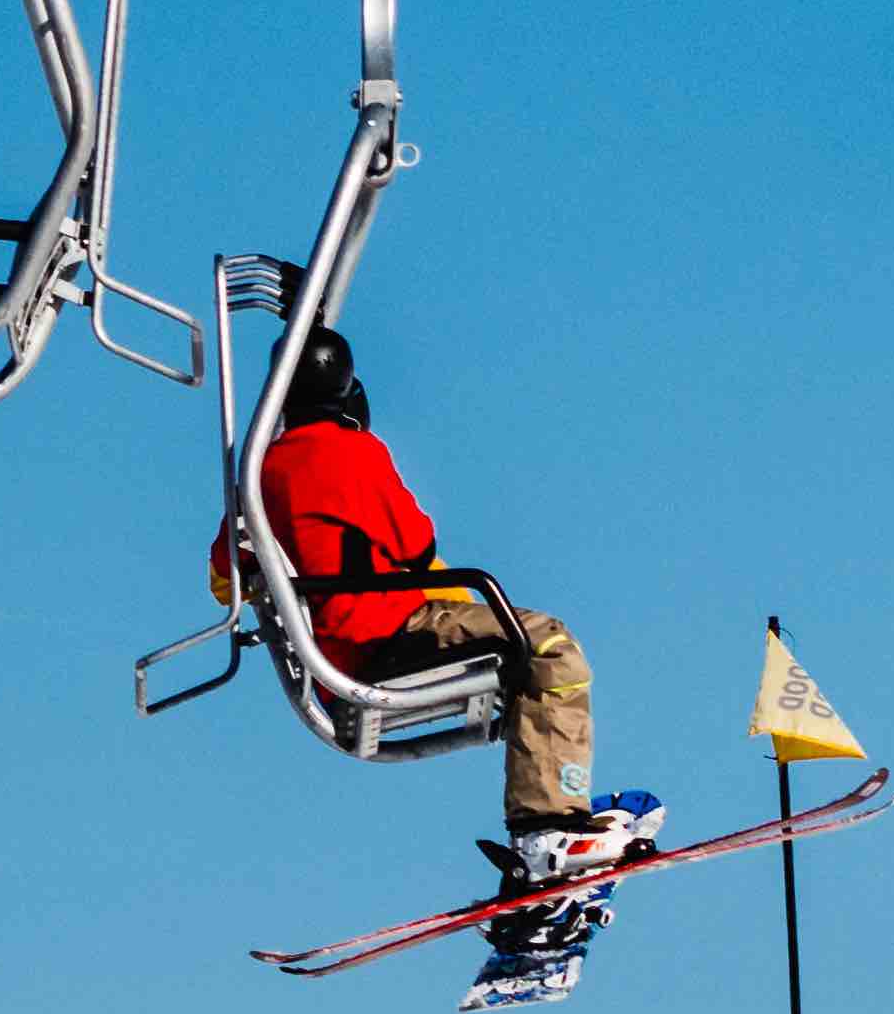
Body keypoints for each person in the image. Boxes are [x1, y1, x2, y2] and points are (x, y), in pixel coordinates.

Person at [242, 329, 638, 895]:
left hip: (337, 651)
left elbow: (225, 571)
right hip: (393, 630)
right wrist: (472, 611)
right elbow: (417, 547)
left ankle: (547, 811)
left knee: (514, 643)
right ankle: (547, 823)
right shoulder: (358, 452)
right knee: (548, 645)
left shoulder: (261, 473)